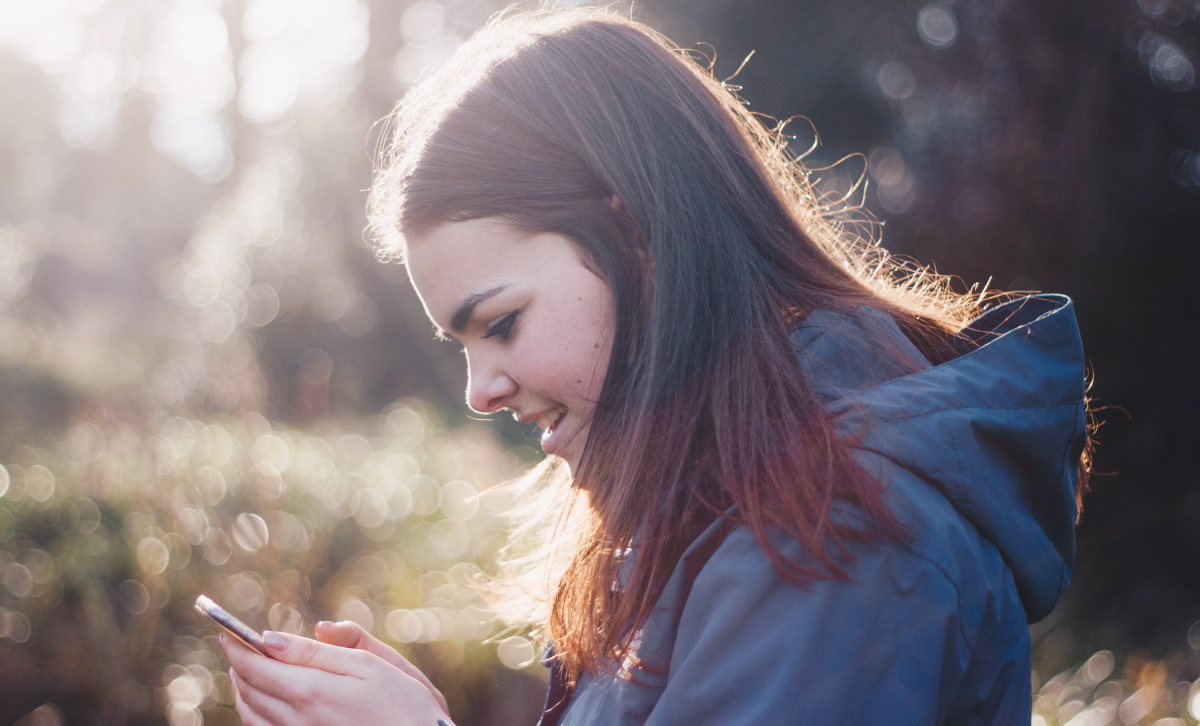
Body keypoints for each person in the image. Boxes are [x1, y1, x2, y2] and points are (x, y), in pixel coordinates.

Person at [219, 7, 1091, 725]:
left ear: (637, 235)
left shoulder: (839, 538)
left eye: (501, 323)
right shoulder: (717, 506)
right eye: (464, 347)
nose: (480, 391)